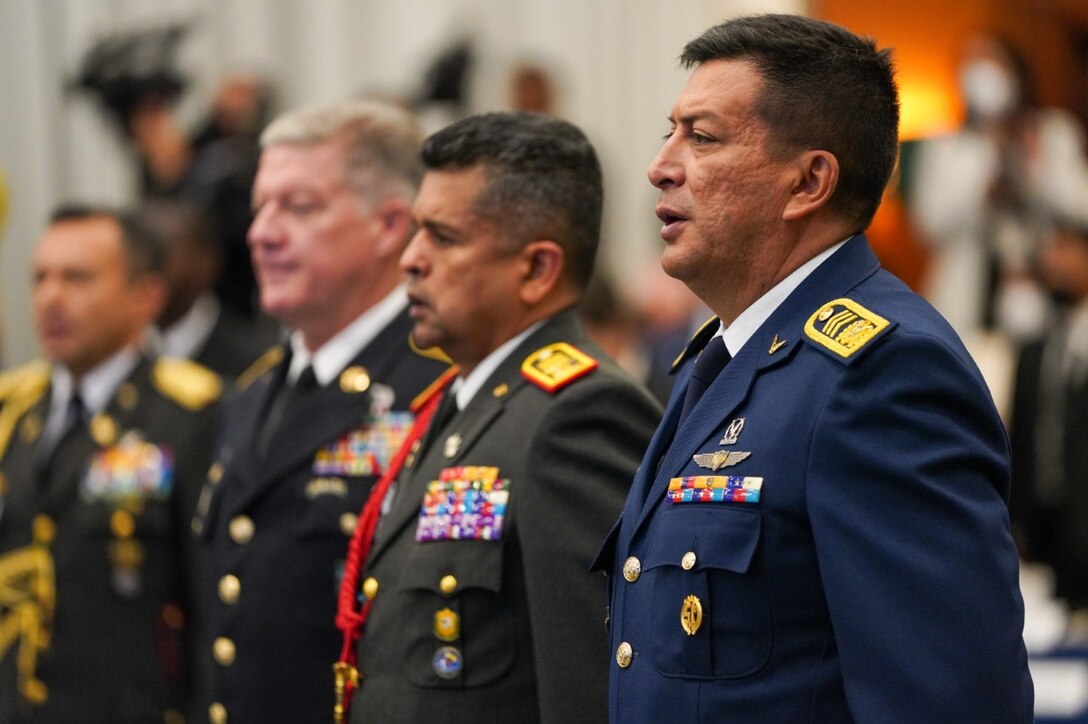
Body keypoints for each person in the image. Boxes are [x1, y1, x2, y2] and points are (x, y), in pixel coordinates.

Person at [598, 15, 1033, 722]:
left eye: (701, 137)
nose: (661, 165)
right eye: (669, 131)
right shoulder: (730, 358)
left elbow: (950, 699)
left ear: (809, 181)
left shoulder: (883, 370)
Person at [343, 112, 661, 723]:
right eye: (414, 232)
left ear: (538, 269)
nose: (410, 259)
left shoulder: (576, 415)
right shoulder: (460, 402)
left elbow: (589, 687)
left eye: (444, 237)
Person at [193, 99, 450, 724]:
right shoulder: (251, 394)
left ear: (390, 226)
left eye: (299, 207)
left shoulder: (441, 386)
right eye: (260, 208)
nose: (261, 233)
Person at [0, 206, 221, 722]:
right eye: (40, 278)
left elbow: (210, 603)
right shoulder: (12, 414)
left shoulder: (192, 415)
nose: (51, 297)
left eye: (77, 279)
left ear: (146, 297)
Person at [908, 32, 1088, 343]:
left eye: (991, 61)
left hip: (1046, 297)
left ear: (1015, 70)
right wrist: (981, 188)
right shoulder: (949, 145)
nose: (982, 73)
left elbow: (1080, 202)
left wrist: (1037, 169)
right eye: (972, 63)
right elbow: (929, 223)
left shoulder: (1051, 131)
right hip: (972, 303)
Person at [1010, 217, 1088, 612]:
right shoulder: (1034, 349)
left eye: (1068, 249)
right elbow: (1021, 437)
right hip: (1043, 526)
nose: (1057, 262)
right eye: (1051, 250)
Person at [142, 198, 281, 380]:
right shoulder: (120, 352)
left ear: (207, 263)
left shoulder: (255, 362)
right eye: (144, 253)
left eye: (165, 253)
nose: (151, 266)